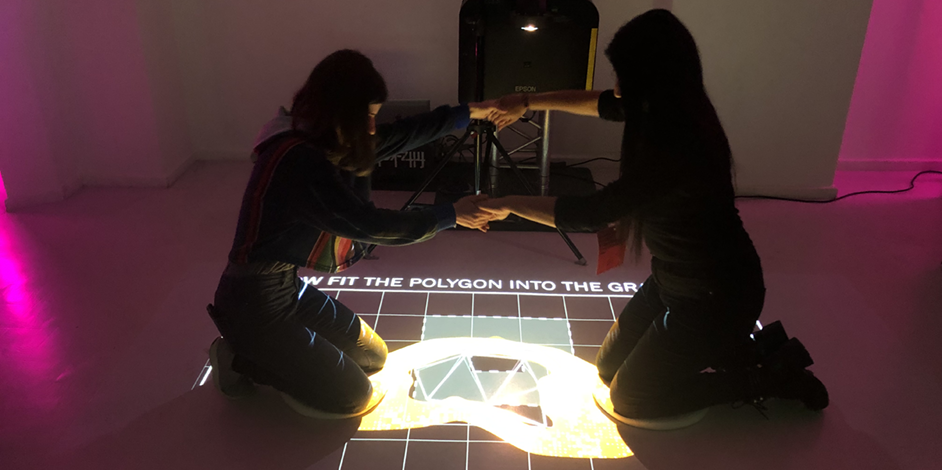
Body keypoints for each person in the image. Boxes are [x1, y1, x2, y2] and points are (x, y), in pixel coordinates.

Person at [484, 9, 828, 426]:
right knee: (607, 370)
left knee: (631, 399)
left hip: (716, 298)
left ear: (653, 78)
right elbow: (601, 103)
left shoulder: (676, 144)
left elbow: (591, 213)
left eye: (624, 77)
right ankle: (741, 349)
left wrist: (506, 204)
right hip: (671, 281)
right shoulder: (663, 107)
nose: (617, 87)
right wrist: (527, 102)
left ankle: (770, 377)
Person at [206, 49, 500, 418]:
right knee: (353, 397)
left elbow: (403, 134)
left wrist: (470, 112)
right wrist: (451, 214)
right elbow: (368, 224)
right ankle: (239, 356)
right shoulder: (298, 160)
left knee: (373, 357)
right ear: (338, 111)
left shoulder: (323, 138)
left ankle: (282, 348)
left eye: (375, 116)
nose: (373, 128)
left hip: (287, 288)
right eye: (367, 117)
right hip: (252, 301)